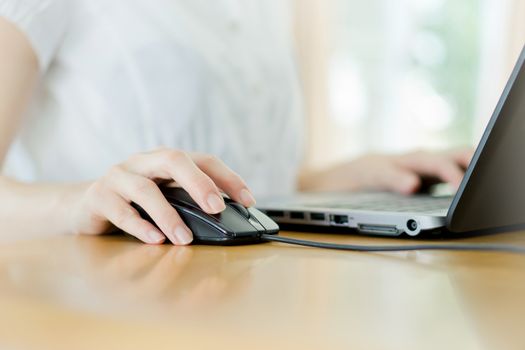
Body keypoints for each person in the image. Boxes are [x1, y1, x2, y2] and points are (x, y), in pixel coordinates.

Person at [0, 1, 472, 246]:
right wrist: (75, 204)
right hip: (113, 305)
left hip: (261, 290)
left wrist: (352, 178)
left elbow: (244, 190)